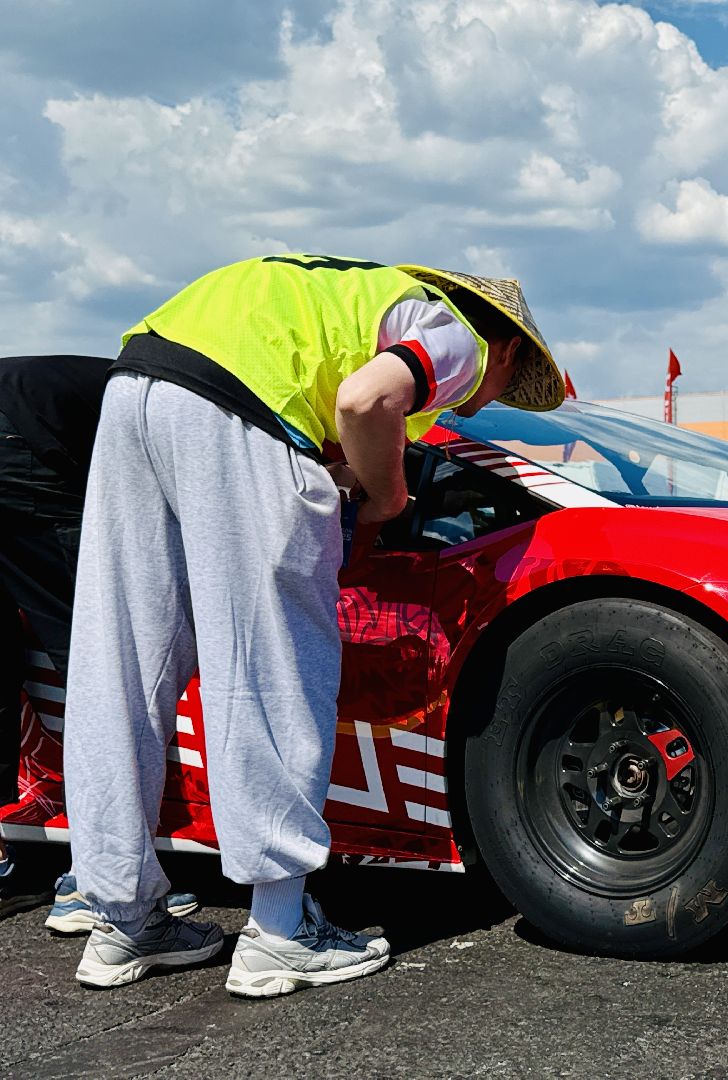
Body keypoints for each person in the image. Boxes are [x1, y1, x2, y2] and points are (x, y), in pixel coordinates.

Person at [62, 256, 562, 995]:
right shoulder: (460, 336)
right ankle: (281, 931)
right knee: (269, 670)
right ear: (510, 348)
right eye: (501, 390)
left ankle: (122, 924)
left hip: (139, 383)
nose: (475, 405)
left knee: (122, 665)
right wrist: (387, 500)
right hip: (240, 412)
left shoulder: (329, 291)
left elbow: (333, 388)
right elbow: (367, 400)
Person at [0, 355, 200, 927]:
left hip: (22, 428)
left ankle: (22, 861)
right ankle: (94, 881)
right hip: (23, 438)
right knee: (103, 656)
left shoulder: (152, 377)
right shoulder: (208, 405)